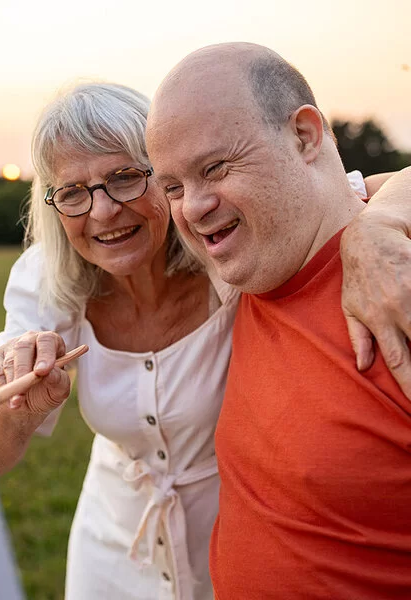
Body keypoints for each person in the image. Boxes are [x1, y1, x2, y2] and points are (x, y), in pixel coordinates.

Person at [0, 81, 410, 599]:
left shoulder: (225, 244)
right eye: (73, 193)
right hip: (112, 549)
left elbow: (374, 184)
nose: (103, 210)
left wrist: (374, 226)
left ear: (165, 176)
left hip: (228, 540)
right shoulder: (49, 280)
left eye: (126, 178)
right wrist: (16, 412)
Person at [146, 42, 411, 599]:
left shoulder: (395, 288)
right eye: (172, 187)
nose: (191, 208)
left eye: (214, 167)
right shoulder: (247, 273)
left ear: (305, 136)